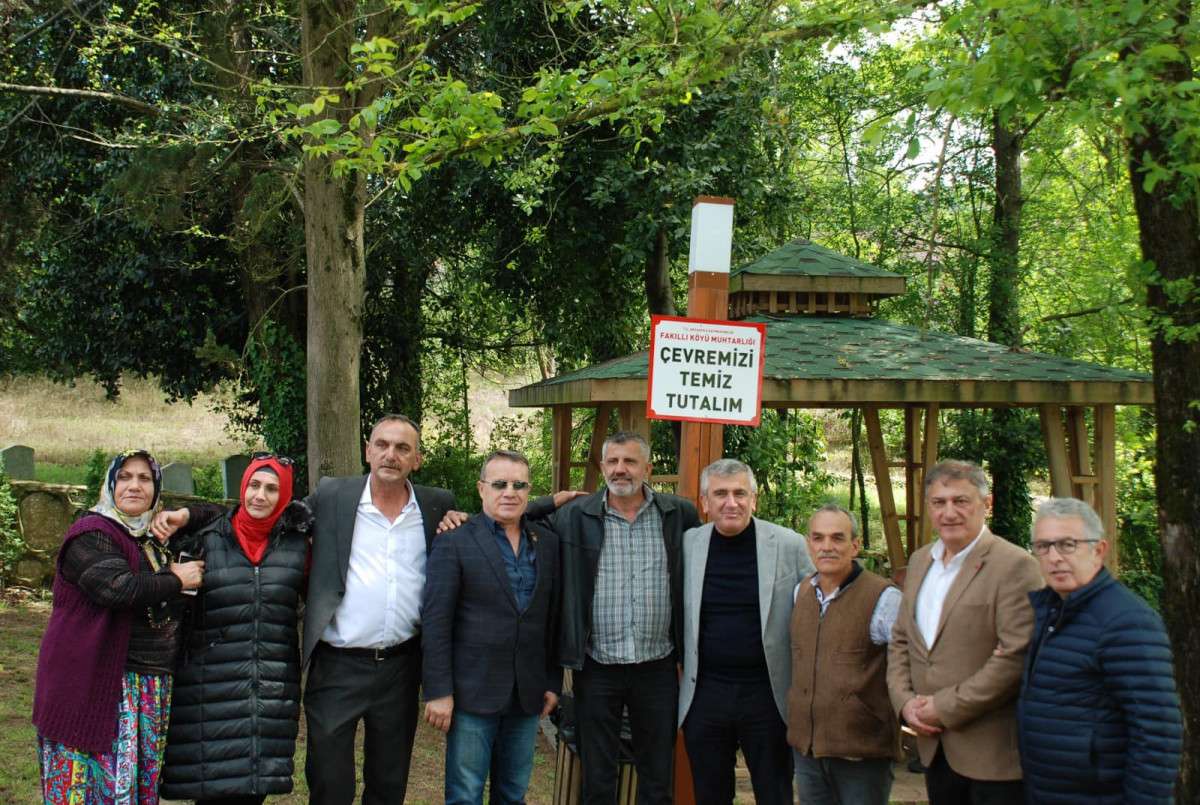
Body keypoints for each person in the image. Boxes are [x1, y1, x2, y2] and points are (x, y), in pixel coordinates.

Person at [531, 430, 699, 805]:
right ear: (603, 466)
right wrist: (551, 500)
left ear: (648, 468)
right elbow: (514, 519)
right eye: (612, 461)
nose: (620, 469)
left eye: (630, 461)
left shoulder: (678, 514)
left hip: (657, 667)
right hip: (596, 665)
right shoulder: (574, 515)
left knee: (657, 774)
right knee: (597, 774)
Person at [33, 450, 204, 805]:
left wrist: (183, 515)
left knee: (132, 790)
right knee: (87, 789)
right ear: (110, 484)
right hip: (94, 684)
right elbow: (117, 588)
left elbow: (226, 516)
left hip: (148, 686)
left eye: (145, 478)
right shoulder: (91, 534)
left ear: (156, 489)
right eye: (124, 477)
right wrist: (176, 579)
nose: (134, 486)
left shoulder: (153, 537)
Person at [302, 414, 457, 805]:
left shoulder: (437, 505)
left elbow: (497, 516)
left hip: (400, 668)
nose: (391, 455)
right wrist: (190, 514)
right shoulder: (333, 495)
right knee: (329, 782)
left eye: (403, 448)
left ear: (417, 460)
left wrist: (548, 503)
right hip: (337, 665)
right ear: (368, 451)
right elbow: (269, 515)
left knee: (389, 784)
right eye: (383, 445)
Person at [152, 454, 313, 805]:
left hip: (270, 695)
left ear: (285, 496)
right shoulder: (204, 539)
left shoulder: (299, 546)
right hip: (211, 694)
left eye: (271, 489)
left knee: (253, 793)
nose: (260, 495)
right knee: (213, 792)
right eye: (254, 485)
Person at [887, 459, 1043, 804]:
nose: (949, 512)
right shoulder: (920, 562)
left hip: (993, 758)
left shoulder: (1016, 566)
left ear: (987, 504)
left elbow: (1015, 658)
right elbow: (900, 639)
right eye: (939, 502)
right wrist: (905, 703)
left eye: (960, 501)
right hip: (934, 749)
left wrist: (943, 707)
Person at [1017, 497, 1182, 804]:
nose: (1054, 557)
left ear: (1099, 550)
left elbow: (1157, 732)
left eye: (1067, 545)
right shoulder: (1050, 611)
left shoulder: (1128, 621)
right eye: (1043, 546)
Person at [421, 450, 562, 805]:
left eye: (519, 485)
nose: (510, 492)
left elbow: (551, 620)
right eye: (500, 484)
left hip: (526, 694)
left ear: (529, 491)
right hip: (472, 693)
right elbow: (436, 622)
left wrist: (551, 680)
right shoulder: (454, 540)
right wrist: (439, 691)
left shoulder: (547, 543)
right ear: (481, 488)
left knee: (512, 794)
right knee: (465, 795)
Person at [677, 459, 814, 805]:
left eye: (740, 493)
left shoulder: (789, 544)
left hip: (767, 694)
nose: (731, 503)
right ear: (705, 502)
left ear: (754, 499)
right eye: (720, 494)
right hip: (705, 693)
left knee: (774, 792)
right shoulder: (688, 544)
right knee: (710, 794)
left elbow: (821, 606)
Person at [788, 503, 901, 805]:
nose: (827, 546)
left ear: (855, 546)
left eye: (837, 538)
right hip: (808, 752)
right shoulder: (801, 593)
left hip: (862, 754)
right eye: (818, 538)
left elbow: (909, 664)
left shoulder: (884, 597)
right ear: (808, 544)